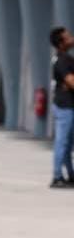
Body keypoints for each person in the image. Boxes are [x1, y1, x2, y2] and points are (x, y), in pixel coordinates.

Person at [50, 26, 74, 188]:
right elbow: (71, 81)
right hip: (65, 106)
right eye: (68, 37)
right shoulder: (63, 60)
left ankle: (70, 175)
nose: (72, 38)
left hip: (66, 105)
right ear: (61, 43)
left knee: (67, 143)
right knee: (62, 142)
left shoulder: (64, 58)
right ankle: (57, 176)